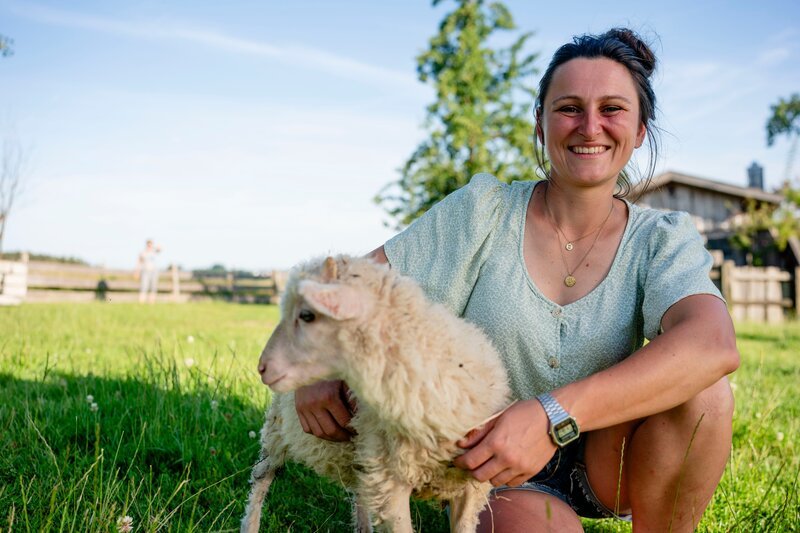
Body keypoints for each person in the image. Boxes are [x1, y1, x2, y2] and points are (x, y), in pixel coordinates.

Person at [292, 28, 739, 532]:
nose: (590, 126)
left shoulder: (661, 237)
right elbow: (352, 281)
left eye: (612, 109)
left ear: (639, 131)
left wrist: (552, 416)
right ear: (541, 123)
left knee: (706, 395)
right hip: (488, 466)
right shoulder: (484, 211)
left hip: (609, 461)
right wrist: (315, 363)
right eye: (569, 108)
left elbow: (713, 344)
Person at [134, 239, 162, 304]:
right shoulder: (143, 252)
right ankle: (141, 302)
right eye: (148, 244)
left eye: (151, 244)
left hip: (154, 271)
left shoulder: (154, 251)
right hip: (145, 271)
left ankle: (152, 302)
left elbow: (160, 249)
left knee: (153, 287)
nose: (149, 246)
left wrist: (153, 247)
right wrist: (137, 271)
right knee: (144, 286)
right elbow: (139, 262)